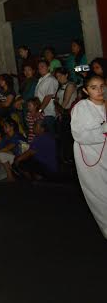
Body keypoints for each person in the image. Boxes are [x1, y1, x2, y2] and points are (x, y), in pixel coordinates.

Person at [70, 73, 107, 238]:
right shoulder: (82, 107)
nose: (99, 90)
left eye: (101, 86)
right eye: (94, 87)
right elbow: (80, 135)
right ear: (85, 90)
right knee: (101, 195)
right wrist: (104, 129)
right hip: (92, 158)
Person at [35, 60, 59, 136]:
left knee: (51, 136)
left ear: (48, 67)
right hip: (43, 113)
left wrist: (39, 110)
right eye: (39, 67)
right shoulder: (42, 79)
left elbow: (48, 96)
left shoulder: (50, 79)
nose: (40, 69)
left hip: (49, 112)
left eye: (42, 66)